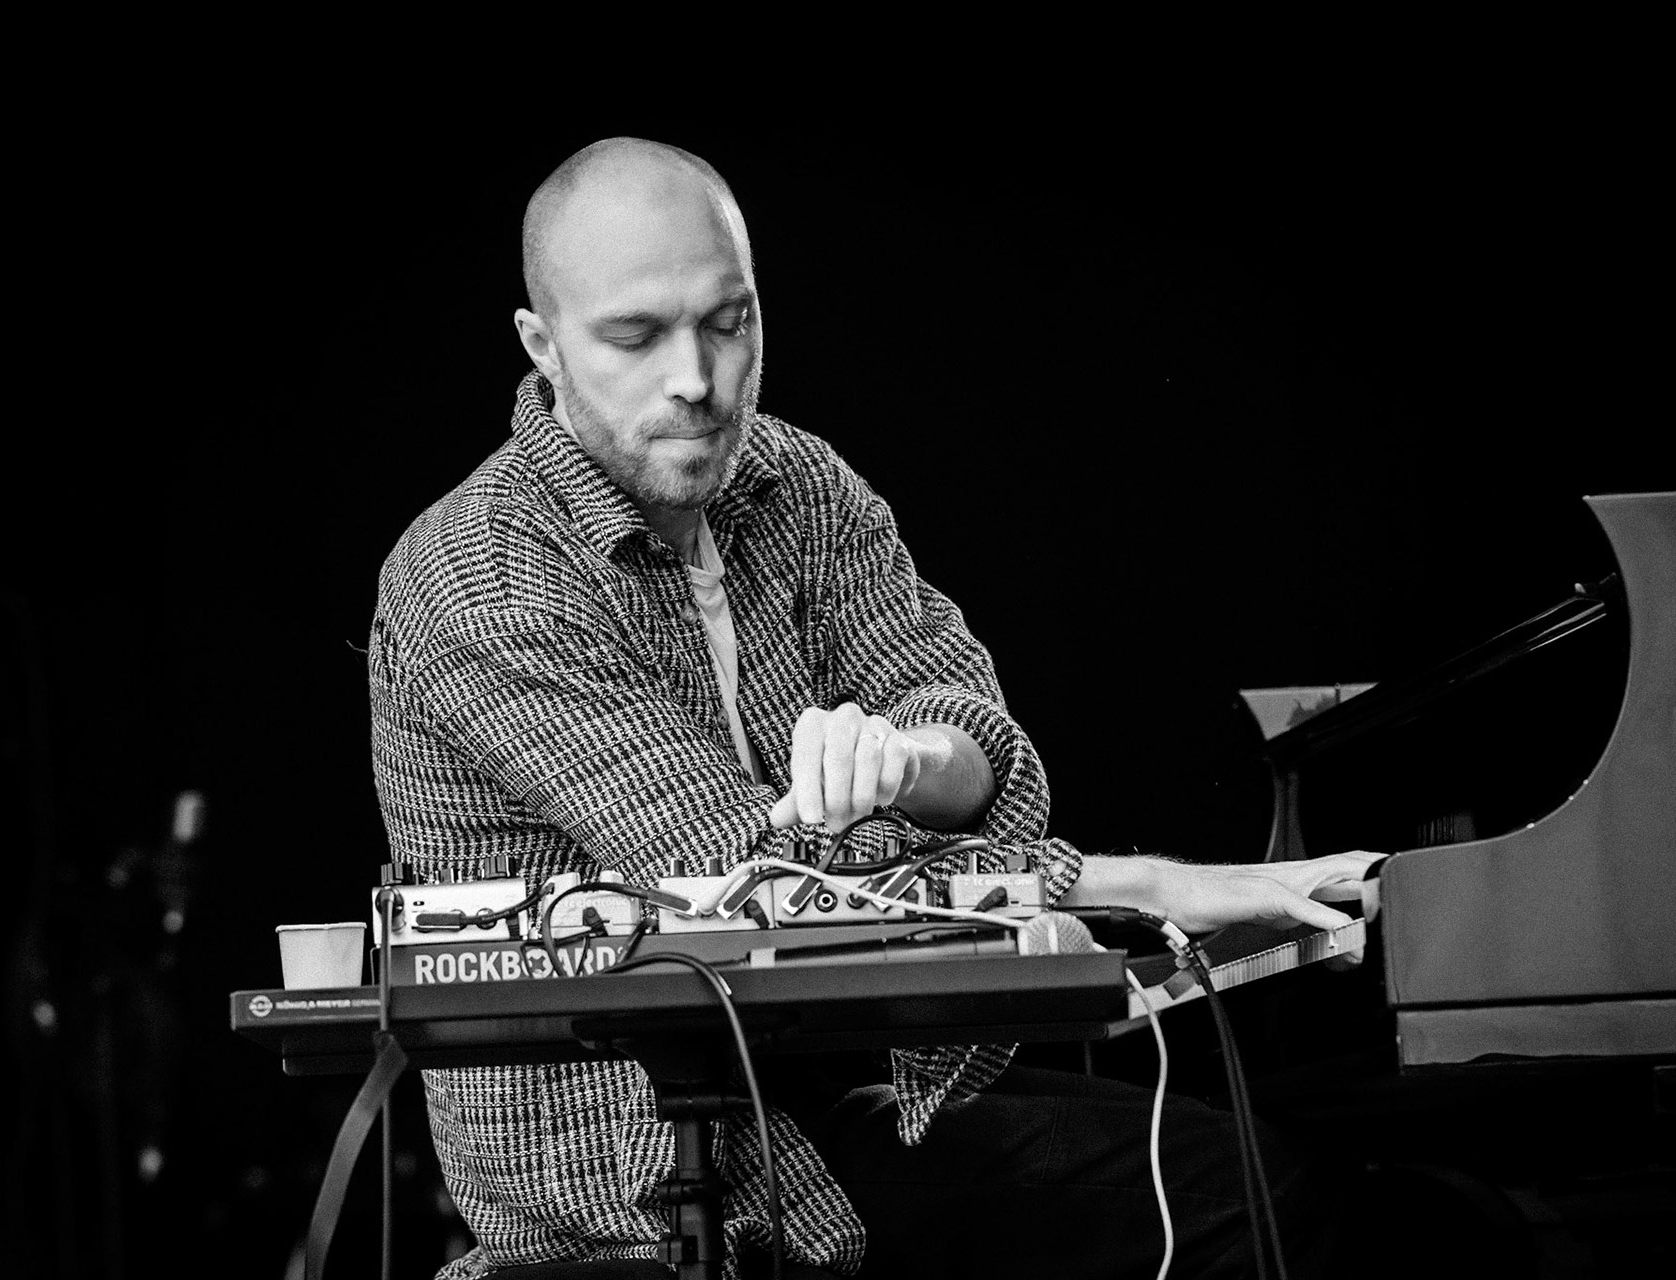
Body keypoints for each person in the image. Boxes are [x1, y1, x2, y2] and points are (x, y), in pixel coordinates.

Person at [367, 137, 1381, 1280]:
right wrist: (1136, 881)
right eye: (637, 336)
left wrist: (910, 758)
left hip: (861, 1076)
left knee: (1356, 1186)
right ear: (541, 347)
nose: (697, 379)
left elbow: (989, 759)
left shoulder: (798, 480)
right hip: (657, 1152)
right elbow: (749, 889)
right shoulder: (478, 574)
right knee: (1257, 1202)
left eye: (729, 320)